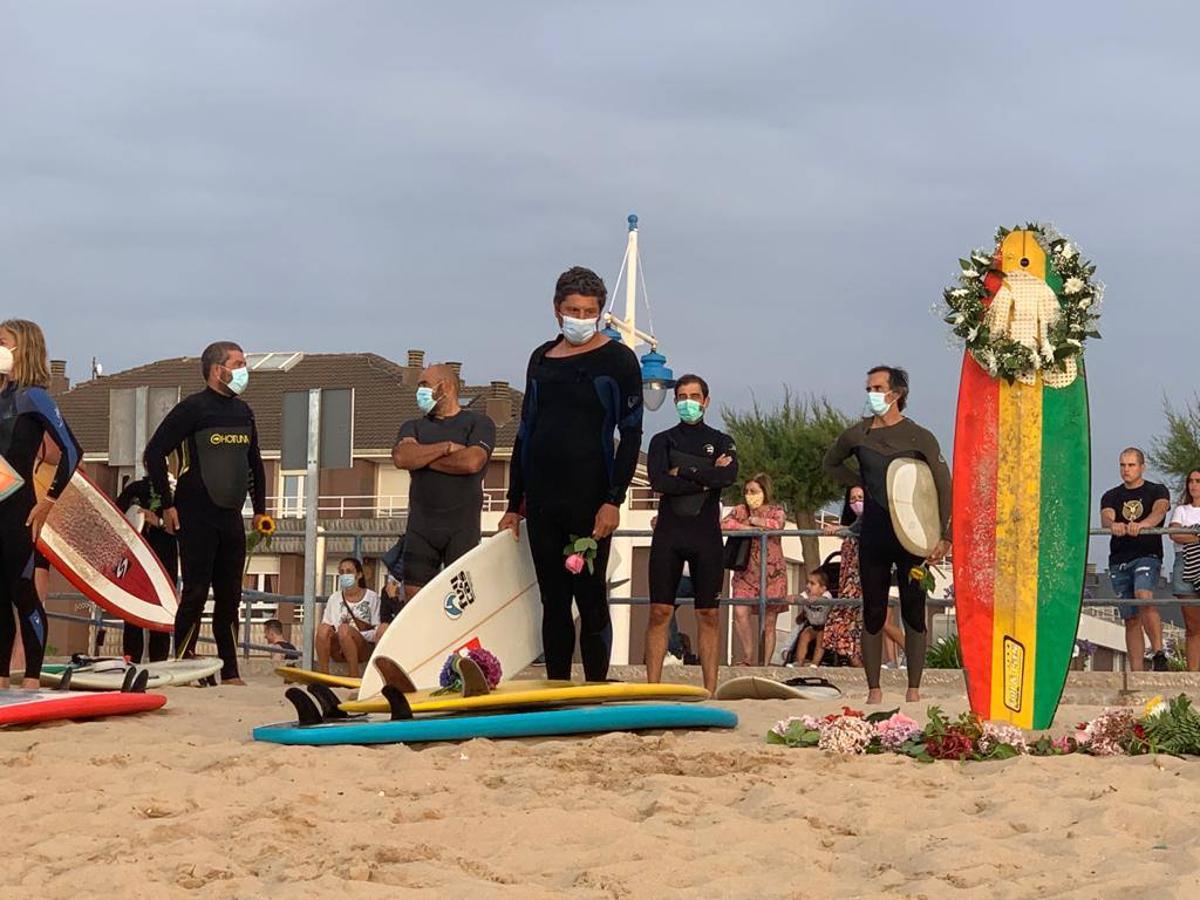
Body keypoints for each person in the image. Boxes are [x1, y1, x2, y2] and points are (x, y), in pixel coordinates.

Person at [498, 266, 643, 682]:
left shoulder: (618, 360)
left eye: (589, 311)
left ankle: (595, 685)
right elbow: (526, 431)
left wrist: (613, 499)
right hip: (544, 499)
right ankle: (558, 684)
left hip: (591, 498)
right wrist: (514, 504)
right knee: (553, 600)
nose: (580, 317)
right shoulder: (541, 357)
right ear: (557, 310)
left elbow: (630, 433)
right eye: (572, 310)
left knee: (591, 597)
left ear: (599, 313)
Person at [823, 365, 951, 704]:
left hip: (913, 535)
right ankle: (874, 689)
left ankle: (913, 688)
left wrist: (944, 535)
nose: (871, 394)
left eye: (878, 388)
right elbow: (830, 463)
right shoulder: (858, 434)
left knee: (913, 608)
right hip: (875, 534)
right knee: (874, 610)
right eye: (869, 388)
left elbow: (941, 484)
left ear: (896, 394)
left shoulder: (919, 436)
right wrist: (859, 482)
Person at [144, 340, 268, 685]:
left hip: (231, 513)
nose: (245, 371)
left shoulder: (244, 412)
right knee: (196, 591)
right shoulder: (193, 409)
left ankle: (229, 670)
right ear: (218, 370)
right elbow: (153, 453)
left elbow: (254, 463)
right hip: (195, 511)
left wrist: (260, 510)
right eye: (239, 363)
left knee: (230, 594)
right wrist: (166, 504)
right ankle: (183, 661)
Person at [643, 374, 738, 694]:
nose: (688, 402)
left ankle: (710, 690)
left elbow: (729, 476)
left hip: (706, 536)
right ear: (675, 401)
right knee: (659, 611)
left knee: (708, 613)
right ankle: (652, 689)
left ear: (706, 401)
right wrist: (707, 475)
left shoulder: (722, 441)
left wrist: (682, 470)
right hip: (670, 534)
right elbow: (659, 482)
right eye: (682, 396)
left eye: (694, 396)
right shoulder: (662, 440)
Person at [0, 319, 81, 688]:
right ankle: (1, 676)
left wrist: (49, 501)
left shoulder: (34, 397)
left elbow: (72, 450)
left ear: (22, 347)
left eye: (2, 341)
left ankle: (32, 677)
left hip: (19, 508)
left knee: (21, 588)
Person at [393, 365, 495, 601]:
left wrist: (422, 459)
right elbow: (402, 457)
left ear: (445, 387)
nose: (419, 391)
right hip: (421, 527)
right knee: (414, 600)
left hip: (461, 527)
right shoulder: (413, 426)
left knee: (462, 602)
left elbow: (472, 462)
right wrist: (446, 448)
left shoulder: (479, 423)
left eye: (424, 385)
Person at [1101, 448, 1172, 672]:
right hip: (1120, 559)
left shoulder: (1156, 490)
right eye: (1122, 465)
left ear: (1142, 467)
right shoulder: (1111, 494)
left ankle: (1159, 652)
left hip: (1146, 554)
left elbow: (1160, 511)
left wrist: (1143, 525)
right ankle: (1136, 671)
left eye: (1131, 465)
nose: (1126, 470)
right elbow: (1106, 515)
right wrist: (1114, 524)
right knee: (1130, 617)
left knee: (1144, 596)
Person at [721, 474, 788, 666]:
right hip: (745, 573)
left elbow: (778, 525)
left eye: (754, 491)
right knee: (740, 613)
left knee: (769, 621)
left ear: (765, 492)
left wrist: (758, 523)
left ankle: (765, 664)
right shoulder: (740, 510)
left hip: (772, 575)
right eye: (747, 491)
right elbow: (724, 524)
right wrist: (745, 527)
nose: (750, 495)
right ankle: (748, 658)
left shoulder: (776, 511)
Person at [115, 474, 177, 663]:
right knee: (133, 611)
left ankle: (159, 661)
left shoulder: (175, 492)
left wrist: (157, 521)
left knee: (161, 609)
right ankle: (131, 660)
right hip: (135, 558)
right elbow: (116, 517)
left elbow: (178, 526)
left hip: (164, 558)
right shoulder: (134, 489)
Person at [315, 558, 380, 677]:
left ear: (359, 575)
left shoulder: (372, 598)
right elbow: (327, 625)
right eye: (342, 572)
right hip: (338, 648)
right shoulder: (334, 598)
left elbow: (377, 631)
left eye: (349, 571)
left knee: (344, 630)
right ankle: (324, 674)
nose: (345, 575)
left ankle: (353, 674)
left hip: (362, 646)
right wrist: (340, 637)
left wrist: (350, 635)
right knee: (323, 629)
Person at [822, 487, 864, 666]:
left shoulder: (868, 524)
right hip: (848, 583)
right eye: (852, 499)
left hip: (865, 580)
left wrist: (842, 528)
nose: (856, 502)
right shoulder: (849, 526)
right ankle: (858, 665)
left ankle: (909, 656)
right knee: (845, 624)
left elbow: (861, 528)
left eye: (860, 497)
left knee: (879, 623)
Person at [1168, 468, 1200, 670]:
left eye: (1198, 481)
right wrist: (1197, 537)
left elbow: (1182, 534)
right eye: (1191, 481)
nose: (1194, 485)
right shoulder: (1181, 510)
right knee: (1192, 626)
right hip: (1185, 563)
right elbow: (1174, 533)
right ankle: (1193, 674)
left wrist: (1190, 535)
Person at [793, 568, 833, 667]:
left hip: (826, 627)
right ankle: (799, 661)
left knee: (821, 638)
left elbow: (825, 600)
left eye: (812, 583)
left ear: (822, 588)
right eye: (807, 583)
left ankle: (815, 663)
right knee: (804, 636)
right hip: (813, 626)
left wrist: (817, 599)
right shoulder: (806, 595)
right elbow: (799, 597)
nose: (808, 586)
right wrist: (793, 598)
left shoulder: (826, 595)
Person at [375, 575, 407, 644]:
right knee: (382, 629)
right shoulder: (387, 590)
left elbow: (407, 619)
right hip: (396, 626)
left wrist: (394, 598)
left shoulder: (412, 589)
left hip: (411, 626)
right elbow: (384, 618)